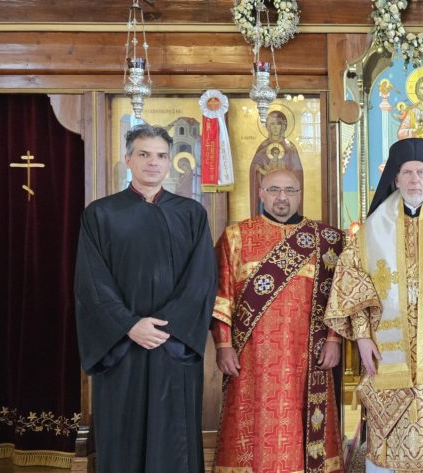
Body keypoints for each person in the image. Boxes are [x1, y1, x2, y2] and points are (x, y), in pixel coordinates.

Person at [325, 138, 423, 472]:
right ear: (395, 179)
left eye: (421, 172)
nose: (414, 179)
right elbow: (352, 285)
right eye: (407, 172)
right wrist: (363, 337)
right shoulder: (372, 230)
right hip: (388, 350)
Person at [74, 124, 217, 473]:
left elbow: (201, 280)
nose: (153, 162)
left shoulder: (192, 214)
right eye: (144, 154)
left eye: (161, 156)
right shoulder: (100, 214)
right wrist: (129, 325)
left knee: (175, 440)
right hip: (121, 347)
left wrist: (166, 329)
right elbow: (92, 282)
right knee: (123, 435)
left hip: (174, 344)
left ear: (170, 163)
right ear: (128, 159)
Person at [211, 168, 344, 472]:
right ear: (260, 193)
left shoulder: (328, 240)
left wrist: (334, 340)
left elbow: (338, 298)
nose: (282, 198)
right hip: (252, 357)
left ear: (300, 194)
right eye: (273, 190)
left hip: (309, 357)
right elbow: (222, 296)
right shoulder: (237, 236)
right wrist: (223, 345)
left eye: (290, 190)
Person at [250, 110, 304, 216]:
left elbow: (297, 172)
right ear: (268, 127)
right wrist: (259, 170)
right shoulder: (263, 147)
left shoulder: (290, 148)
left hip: (287, 196)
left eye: (278, 124)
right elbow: (255, 168)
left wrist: (286, 172)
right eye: (272, 124)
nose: (275, 127)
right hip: (268, 193)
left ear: (283, 127)